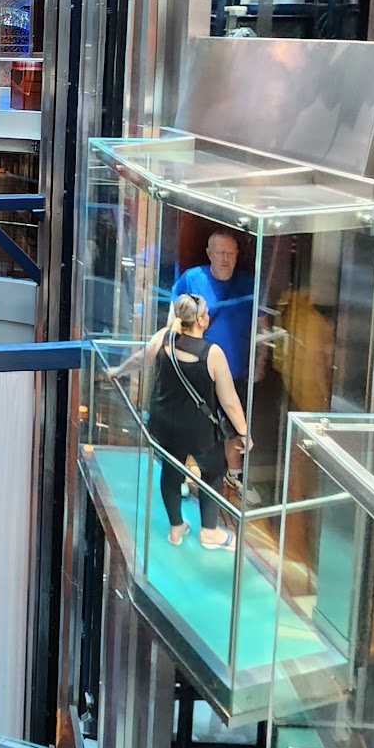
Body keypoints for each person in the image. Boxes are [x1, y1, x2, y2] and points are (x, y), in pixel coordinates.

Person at [136, 293, 249, 550]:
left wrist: (117, 372)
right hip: (198, 431)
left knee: (171, 472)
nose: (208, 316)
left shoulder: (164, 338)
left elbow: (140, 359)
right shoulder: (212, 353)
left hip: (164, 424)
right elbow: (229, 400)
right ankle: (209, 533)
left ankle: (176, 528)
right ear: (199, 320)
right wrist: (243, 432)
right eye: (206, 313)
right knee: (212, 472)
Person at [170, 228, 256, 390]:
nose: (225, 259)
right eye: (220, 253)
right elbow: (174, 320)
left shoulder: (249, 284)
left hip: (236, 374)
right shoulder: (191, 278)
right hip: (198, 371)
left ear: (237, 254)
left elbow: (262, 326)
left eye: (230, 253)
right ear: (209, 254)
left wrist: (259, 364)